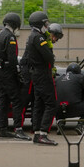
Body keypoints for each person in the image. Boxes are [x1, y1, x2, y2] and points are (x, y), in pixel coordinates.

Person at [0, 13, 31, 141]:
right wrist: (18, 73)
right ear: (15, 24)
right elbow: (12, 58)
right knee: (16, 100)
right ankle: (18, 129)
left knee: (3, 100)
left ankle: (3, 129)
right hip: (8, 71)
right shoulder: (10, 37)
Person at [19, 23, 64, 125]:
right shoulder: (39, 40)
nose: (56, 39)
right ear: (51, 33)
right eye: (56, 36)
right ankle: (19, 127)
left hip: (36, 74)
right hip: (30, 73)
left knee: (37, 101)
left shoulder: (45, 42)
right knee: (26, 99)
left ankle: (35, 125)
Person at [25, 11, 58, 146]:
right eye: (45, 23)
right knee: (51, 104)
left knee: (38, 104)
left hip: (36, 74)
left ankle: (37, 133)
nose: (47, 25)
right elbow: (49, 57)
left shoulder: (32, 36)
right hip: (43, 74)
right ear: (40, 24)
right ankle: (43, 133)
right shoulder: (39, 38)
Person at [55, 62, 84, 135]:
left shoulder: (58, 79)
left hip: (58, 109)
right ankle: (81, 125)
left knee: (60, 102)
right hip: (73, 107)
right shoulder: (80, 77)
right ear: (78, 71)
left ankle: (60, 124)